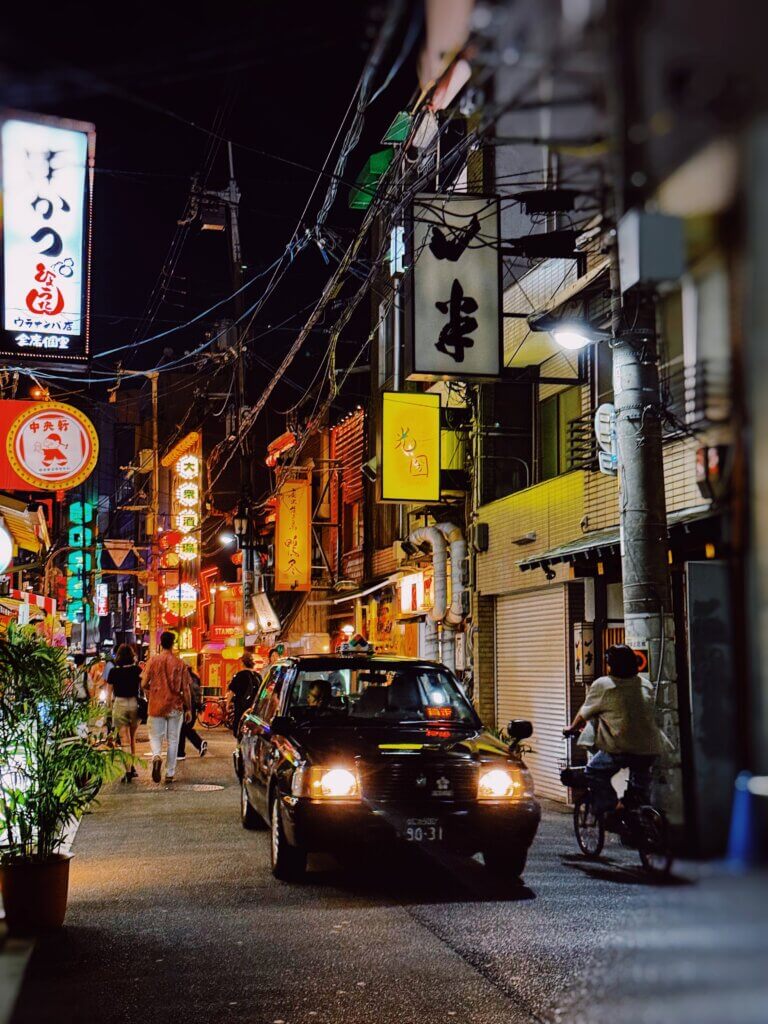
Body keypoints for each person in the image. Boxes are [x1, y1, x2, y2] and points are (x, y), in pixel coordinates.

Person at [563, 643, 668, 816]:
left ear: (611, 665)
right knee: (639, 786)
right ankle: (642, 817)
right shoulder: (645, 684)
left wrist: (571, 728)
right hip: (650, 746)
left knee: (593, 771)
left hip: (621, 747)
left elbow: (584, 713)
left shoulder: (604, 685)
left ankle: (614, 808)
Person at [141, 631, 192, 784]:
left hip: (156, 704)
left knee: (156, 736)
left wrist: (152, 690)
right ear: (173, 643)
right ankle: (170, 773)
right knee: (173, 739)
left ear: (160, 643)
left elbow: (143, 683)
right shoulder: (180, 663)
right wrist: (188, 708)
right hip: (175, 705)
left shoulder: (153, 661)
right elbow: (186, 688)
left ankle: (156, 756)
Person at [108, 644, 142, 782]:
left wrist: (108, 709)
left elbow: (109, 692)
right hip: (134, 703)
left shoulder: (114, 672)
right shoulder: (136, 670)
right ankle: (132, 766)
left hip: (120, 703)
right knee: (132, 738)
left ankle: (128, 770)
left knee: (124, 740)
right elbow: (144, 685)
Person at [227, 652, 260, 737]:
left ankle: (240, 744)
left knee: (239, 727)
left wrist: (228, 704)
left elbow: (232, 691)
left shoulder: (239, 675)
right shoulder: (258, 676)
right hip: (254, 708)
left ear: (242, 662)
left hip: (241, 707)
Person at [178, 667, 207, 760]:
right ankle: (180, 753)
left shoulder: (184, 678)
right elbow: (198, 693)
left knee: (182, 729)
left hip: (186, 706)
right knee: (184, 729)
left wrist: (187, 708)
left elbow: (186, 692)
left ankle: (181, 753)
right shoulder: (196, 677)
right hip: (194, 706)